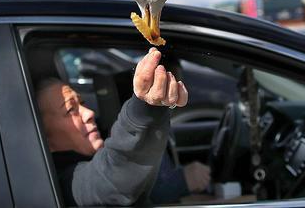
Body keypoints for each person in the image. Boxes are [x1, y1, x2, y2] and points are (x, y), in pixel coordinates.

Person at [36, 48, 207, 206]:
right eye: (70, 110)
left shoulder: (84, 158)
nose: (88, 113)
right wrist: (144, 107)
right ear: (44, 137)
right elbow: (112, 178)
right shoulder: (60, 183)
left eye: (82, 103)